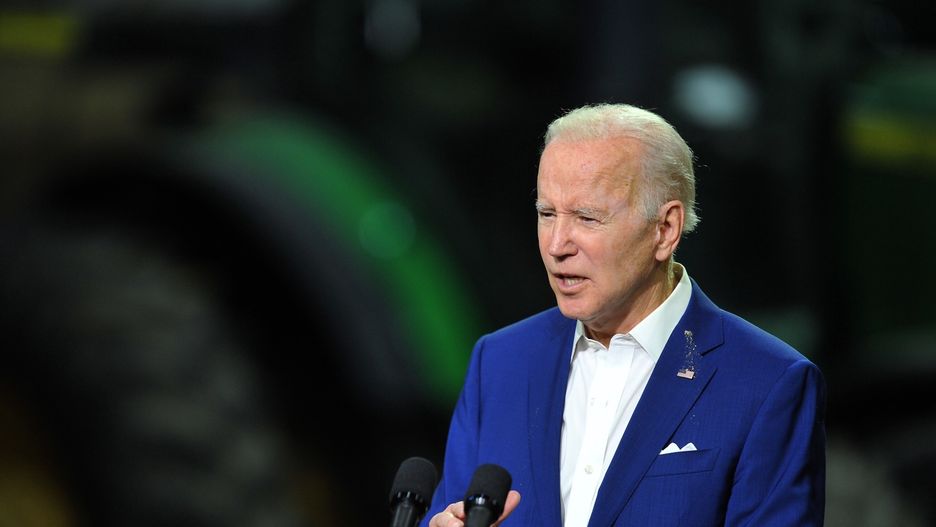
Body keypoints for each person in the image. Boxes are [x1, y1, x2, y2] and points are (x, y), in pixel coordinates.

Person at [423, 103, 826, 527]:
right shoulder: (500, 362)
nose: (557, 244)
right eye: (547, 214)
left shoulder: (768, 383)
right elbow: (448, 512)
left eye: (586, 217)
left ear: (665, 229)